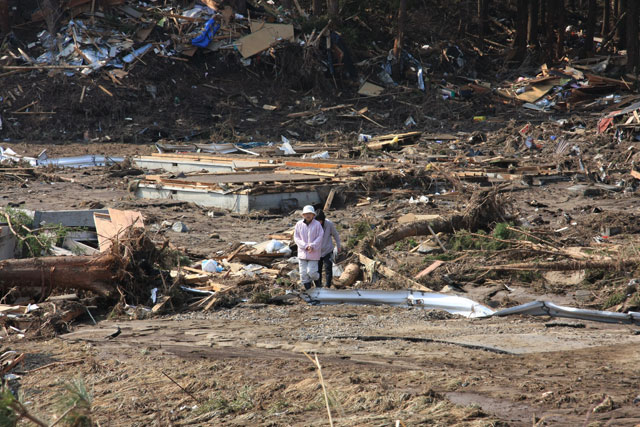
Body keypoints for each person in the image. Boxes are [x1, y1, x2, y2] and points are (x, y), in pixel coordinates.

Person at [293, 205, 324, 290]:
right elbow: (296, 237)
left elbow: (320, 236)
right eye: (306, 214)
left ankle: (318, 282)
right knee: (303, 274)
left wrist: (312, 245)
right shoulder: (299, 224)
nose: (308, 215)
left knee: (311, 272)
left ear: (313, 215)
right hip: (302, 253)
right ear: (303, 215)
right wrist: (305, 246)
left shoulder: (317, 224)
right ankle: (309, 291)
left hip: (313, 253)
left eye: (310, 213)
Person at [313, 210, 341, 288]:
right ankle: (318, 286)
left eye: (320, 221)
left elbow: (335, 234)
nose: (319, 223)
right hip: (317, 251)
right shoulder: (313, 225)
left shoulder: (329, 224)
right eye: (317, 221)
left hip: (327, 250)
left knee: (328, 268)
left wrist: (338, 245)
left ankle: (328, 285)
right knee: (317, 269)